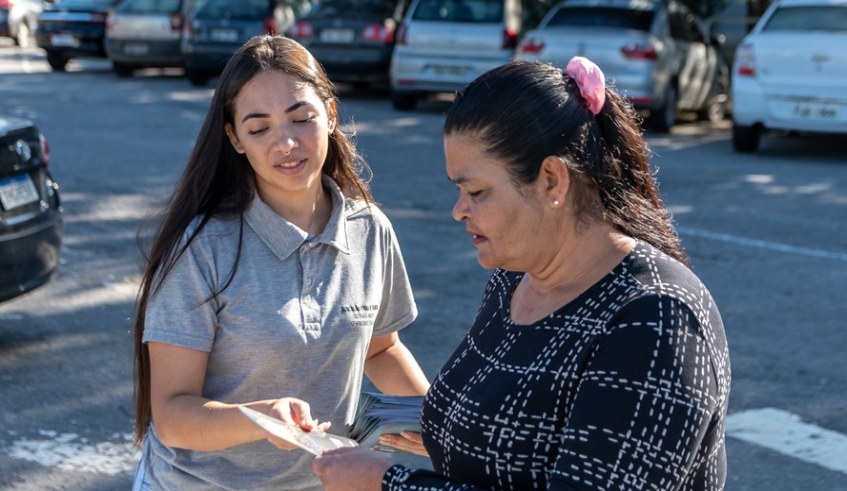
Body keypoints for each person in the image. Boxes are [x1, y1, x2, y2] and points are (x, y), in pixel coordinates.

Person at [311, 58, 731, 490]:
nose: (459, 211)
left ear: (552, 180)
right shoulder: (516, 278)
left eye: (476, 191)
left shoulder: (657, 319)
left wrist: (389, 483)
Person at [130, 35, 430, 490]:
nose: (285, 142)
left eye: (301, 118)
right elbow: (171, 414)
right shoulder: (202, 247)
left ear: (330, 115)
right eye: (259, 128)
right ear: (234, 138)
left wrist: (438, 420)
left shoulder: (371, 230)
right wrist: (258, 419)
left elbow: (381, 348)